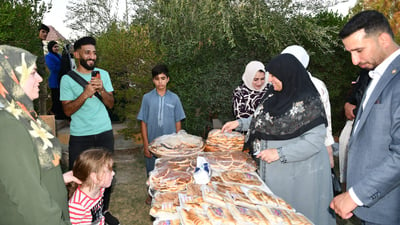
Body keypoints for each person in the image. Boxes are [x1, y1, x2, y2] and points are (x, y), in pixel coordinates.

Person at [222, 53, 335, 225]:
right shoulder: (274, 96)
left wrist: (279, 153)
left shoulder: (308, 102)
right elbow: (262, 119)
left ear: (287, 74)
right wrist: (238, 124)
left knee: (298, 217)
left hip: (301, 176)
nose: (269, 79)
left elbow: (313, 141)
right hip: (276, 171)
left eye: (274, 75)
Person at [330, 10, 400, 224]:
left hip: (388, 208)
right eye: (350, 52)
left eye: (358, 50)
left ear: (383, 39)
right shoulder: (378, 74)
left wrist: (355, 195)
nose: (353, 60)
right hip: (374, 206)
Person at [0, 45, 80, 224]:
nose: (41, 78)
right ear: (13, 76)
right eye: (33, 72)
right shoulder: (7, 125)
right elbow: (28, 196)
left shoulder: (25, 116)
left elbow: (26, 174)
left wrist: (62, 178)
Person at [60, 36, 119, 225]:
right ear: (76, 54)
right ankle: (77, 216)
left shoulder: (103, 74)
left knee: (105, 174)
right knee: (78, 177)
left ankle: (102, 211)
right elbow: (67, 110)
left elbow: (110, 104)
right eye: (87, 52)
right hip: (80, 135)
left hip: (104, 131)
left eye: (94, 52)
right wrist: (85, 94)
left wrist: (102, 90)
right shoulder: (67, 79)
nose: (92, 56)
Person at [137, 64, 186, 204]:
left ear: (168, 79)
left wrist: (179, 142)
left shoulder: (174, 98)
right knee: (152, 170)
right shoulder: (147, 98)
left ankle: (169, 194)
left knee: (170, 169)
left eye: (163, 78)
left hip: (170, 144)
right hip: (152, 143)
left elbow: (178, 121)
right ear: (153, 80)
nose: (160, 82)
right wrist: (146, 145)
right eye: (157, 79)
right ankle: (151, 194)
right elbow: (143, 122)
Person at [281, 45, 336, 168]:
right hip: (288, 147)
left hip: (312, 145)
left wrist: (328, 148)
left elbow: (325, 118)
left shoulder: (317, 86)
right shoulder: (282, 85)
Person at [338, 68, 371, 184]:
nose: (355, 61)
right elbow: (356, 91)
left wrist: (357, 111)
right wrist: (348, 104)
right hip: (353, 123)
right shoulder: (365, 71)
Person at [68, 149, 115, 225]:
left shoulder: (100, 189)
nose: (113, 173)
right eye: (109, 171)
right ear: (94, 177)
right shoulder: (77, 205)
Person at [45, 40, 66, 119]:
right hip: (54, 80)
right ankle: (54, 113)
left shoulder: (58, 55)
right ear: (51, 48)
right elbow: (53, 67)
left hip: (60, 79)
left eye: (57, 46)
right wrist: (62, 67)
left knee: (59, 97)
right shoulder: (48, 56)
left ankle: (58, 113)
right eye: (55, 47)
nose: (57, 48)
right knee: (55, 98)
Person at [36, 23, 50, 114]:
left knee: (43, 97)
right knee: (38, 98)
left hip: (41, 76)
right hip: (36, 76)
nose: (45, 34)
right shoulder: (34, 45)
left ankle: (43, 119)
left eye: (46, 33)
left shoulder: (40, 45)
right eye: (43, 32)